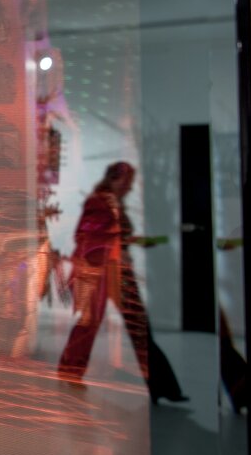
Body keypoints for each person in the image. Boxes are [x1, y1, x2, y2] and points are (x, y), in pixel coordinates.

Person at [57, 161, 187, 403]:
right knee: (91, 323)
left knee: (137, 325)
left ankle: (162, 386)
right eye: (127, 182)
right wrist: (117, 245)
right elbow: (85, 234)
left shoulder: (113, 202)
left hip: (118, 272)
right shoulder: (98, 201)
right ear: (114, 179)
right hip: (100, 272)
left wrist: (131, 242)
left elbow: (112, 235)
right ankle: (70, 372)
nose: (129, 187)